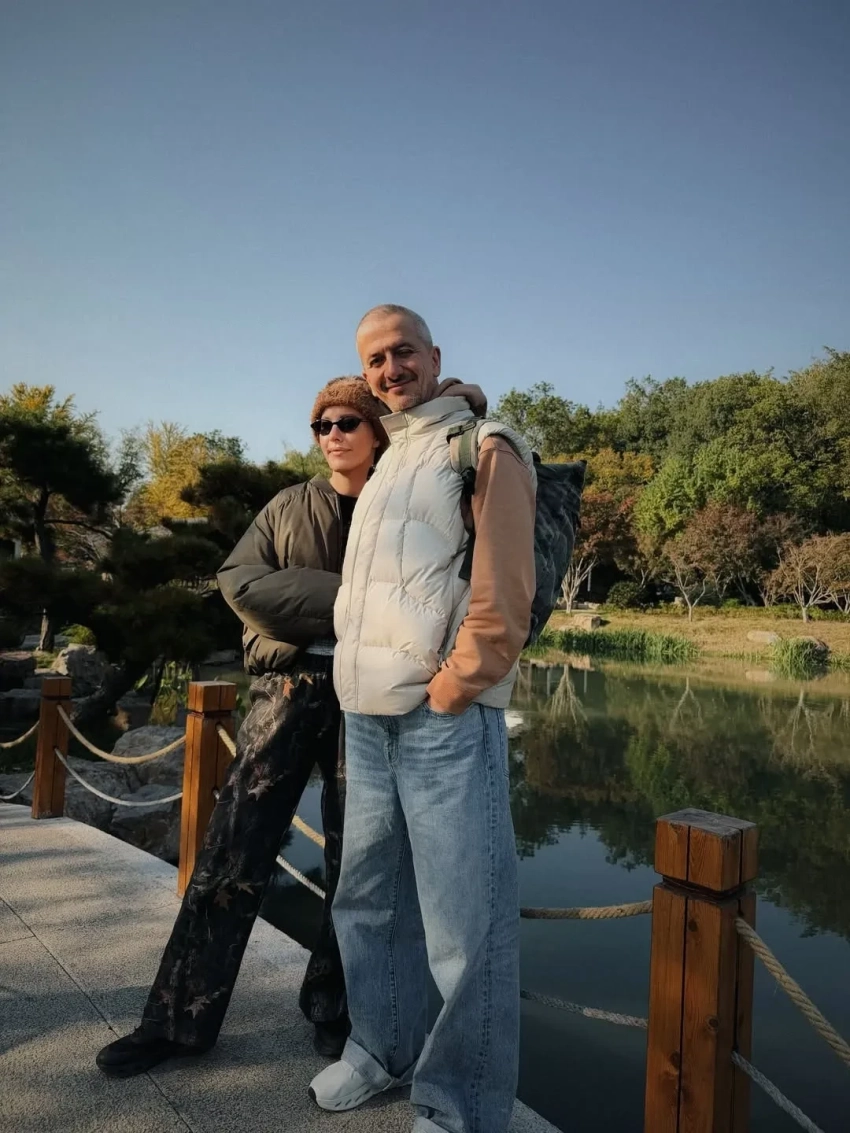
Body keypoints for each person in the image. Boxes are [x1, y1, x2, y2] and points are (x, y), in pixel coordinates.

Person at [96, 376, 388, 1078]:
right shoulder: (288, 505)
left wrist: (311, 607)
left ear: (378, 429)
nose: (333, 434)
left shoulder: (399, 507)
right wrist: (360, 603)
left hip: (372, 696)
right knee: (233, 846)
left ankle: (335, 1006)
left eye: (348, 421)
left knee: (358, 858)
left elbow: (423, 600)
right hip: (289, 685)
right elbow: (244, 585)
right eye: (321, 424)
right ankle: (176, 1021)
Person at [308, 306, 537, 1133]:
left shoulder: (484, 445)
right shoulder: (390, 455)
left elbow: (505, 595)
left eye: (402, 351)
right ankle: (382, 1046)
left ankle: (460, 1102)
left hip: (444, 719)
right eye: (374, 358)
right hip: (367, 717)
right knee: (366, 898)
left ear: (435, 356)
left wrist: (453, 687)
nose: (389, 368)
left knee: (463, 925)